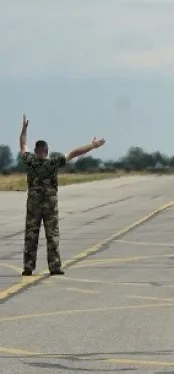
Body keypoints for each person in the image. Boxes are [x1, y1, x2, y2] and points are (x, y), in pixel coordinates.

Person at [19, 114, 106, 276]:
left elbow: (23, 144)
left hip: (33, 205)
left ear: (36, 151)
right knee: (52, 234)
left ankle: (28, 267)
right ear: (47, 151)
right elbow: (74, 153)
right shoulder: (53, 163)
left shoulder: (30, 161)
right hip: (50, 206)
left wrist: (24, 129)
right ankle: (54, 266)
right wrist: (92, 146)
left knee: (31, 234)